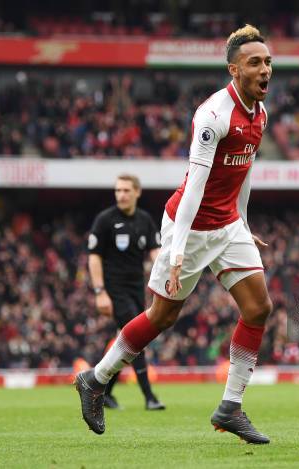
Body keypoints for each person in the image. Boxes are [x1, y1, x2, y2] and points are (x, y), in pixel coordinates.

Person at [76, 24, 273, 444]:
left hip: (228, 226)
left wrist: (244, 222)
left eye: (268, 61)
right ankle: (95, 379)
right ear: (234, 70)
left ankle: (230, 407)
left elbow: (245, 173)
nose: (265, 69)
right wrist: (178, 247)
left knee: (258, 308)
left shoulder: (260, 114)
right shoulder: (213, 115)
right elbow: (195, 184)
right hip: (191, 225)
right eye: (255, 62)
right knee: (161, 316)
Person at [87, 173, 165, 410]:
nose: (121, 195)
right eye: (118, 190)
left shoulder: (145, 220)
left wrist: (167, 274)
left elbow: (155, 254)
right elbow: (94, 257)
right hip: (114, 289)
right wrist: (100, 291)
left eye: (126, 190)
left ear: (137, 192)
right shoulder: (105, 220)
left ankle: (102, 390)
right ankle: (149, 397)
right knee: (136, 338)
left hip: (136, 289)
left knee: (125, 341)